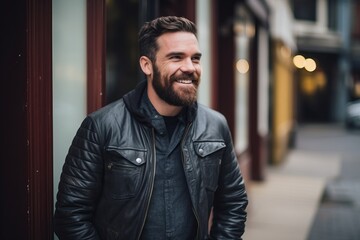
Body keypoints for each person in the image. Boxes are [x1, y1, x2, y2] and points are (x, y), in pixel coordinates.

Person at [54, 16, 248, 240]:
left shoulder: (215, 126)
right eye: (176, 57)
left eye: (195, 58)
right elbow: (71, 215)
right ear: (147, 65)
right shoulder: (101, 127)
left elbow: (233, 203)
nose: (189, 67)